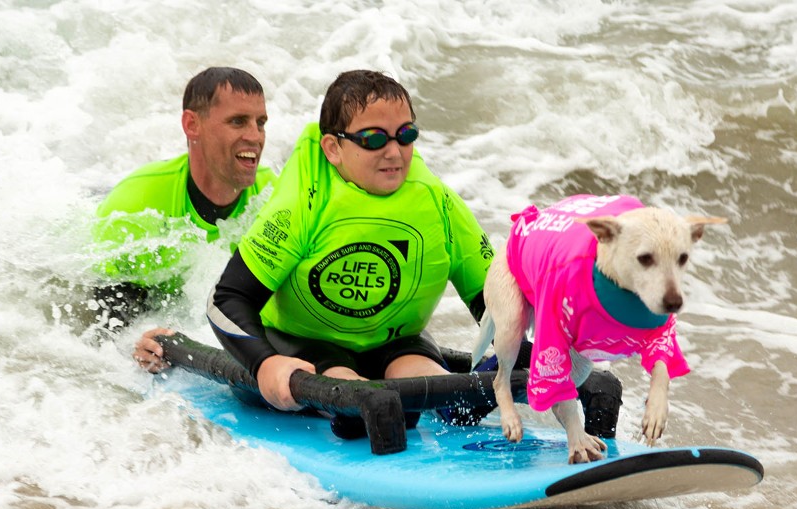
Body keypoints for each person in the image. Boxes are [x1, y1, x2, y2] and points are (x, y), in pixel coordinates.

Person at [206, 69, 495, 435]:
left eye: (406, 135)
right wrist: (265, 364)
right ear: (333, 148)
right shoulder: (302, 205)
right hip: (308, 346)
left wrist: (524, 351)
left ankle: (454, 402)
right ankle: (354, 409)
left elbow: (492, 298)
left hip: (395, 343)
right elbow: (226, 299)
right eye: (374, 139)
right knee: (353, 390)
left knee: (434, 386)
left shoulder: (438, 203)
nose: (394, 152)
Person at [89, 67, 276, 370]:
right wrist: (136, 343)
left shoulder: (270, 197)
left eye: (261, 123)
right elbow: (106, 328)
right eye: (238, 121)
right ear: (192, 124)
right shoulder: (136, 207)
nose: (255, 136)